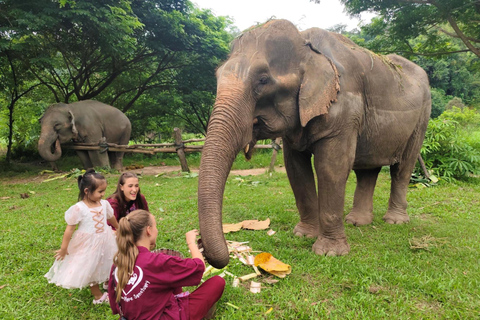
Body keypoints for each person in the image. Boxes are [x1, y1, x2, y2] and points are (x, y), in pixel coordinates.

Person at [108, 209, 225, 320]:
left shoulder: (118, 264)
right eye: (155, 226)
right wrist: (191, 242)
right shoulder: (155, 261)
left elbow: (115, 306)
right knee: (217, 282)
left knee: (169, 277)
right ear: (148, 230)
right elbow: (199, 267)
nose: (157, 230)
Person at [45, 169, 119, 305]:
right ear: (87, 191)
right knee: (91, 267)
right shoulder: (79, 208)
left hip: (105, 239)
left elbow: (111, 217)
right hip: (88, 244)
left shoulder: (104, 204)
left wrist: (119, 228)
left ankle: (107, 283)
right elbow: (69, 230)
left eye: (104, 191)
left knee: (108, 260)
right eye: (100, 192)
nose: (103, 194)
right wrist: (63, 248)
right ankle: (98, 296)